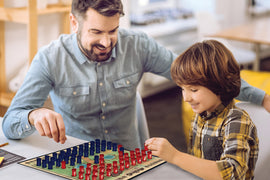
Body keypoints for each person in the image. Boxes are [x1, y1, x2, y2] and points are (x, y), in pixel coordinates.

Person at [1, 0, 267, 150]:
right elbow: (9, 123)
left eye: (113, 30)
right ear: (74, 23)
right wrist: (33, 115)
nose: (106, 42)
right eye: (96, 32)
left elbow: (203, 76)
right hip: (80, 160)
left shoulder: (138, 45)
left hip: (132, 159)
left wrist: (262, 97)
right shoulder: (50, 58)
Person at [145, 40, 259, 180]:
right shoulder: (200, 116)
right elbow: (196, 165)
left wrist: (175, 156)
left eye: (193, 90)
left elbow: (232, 174)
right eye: (182, 89)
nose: (186, 98)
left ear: (219, 84)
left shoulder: (237, 121)